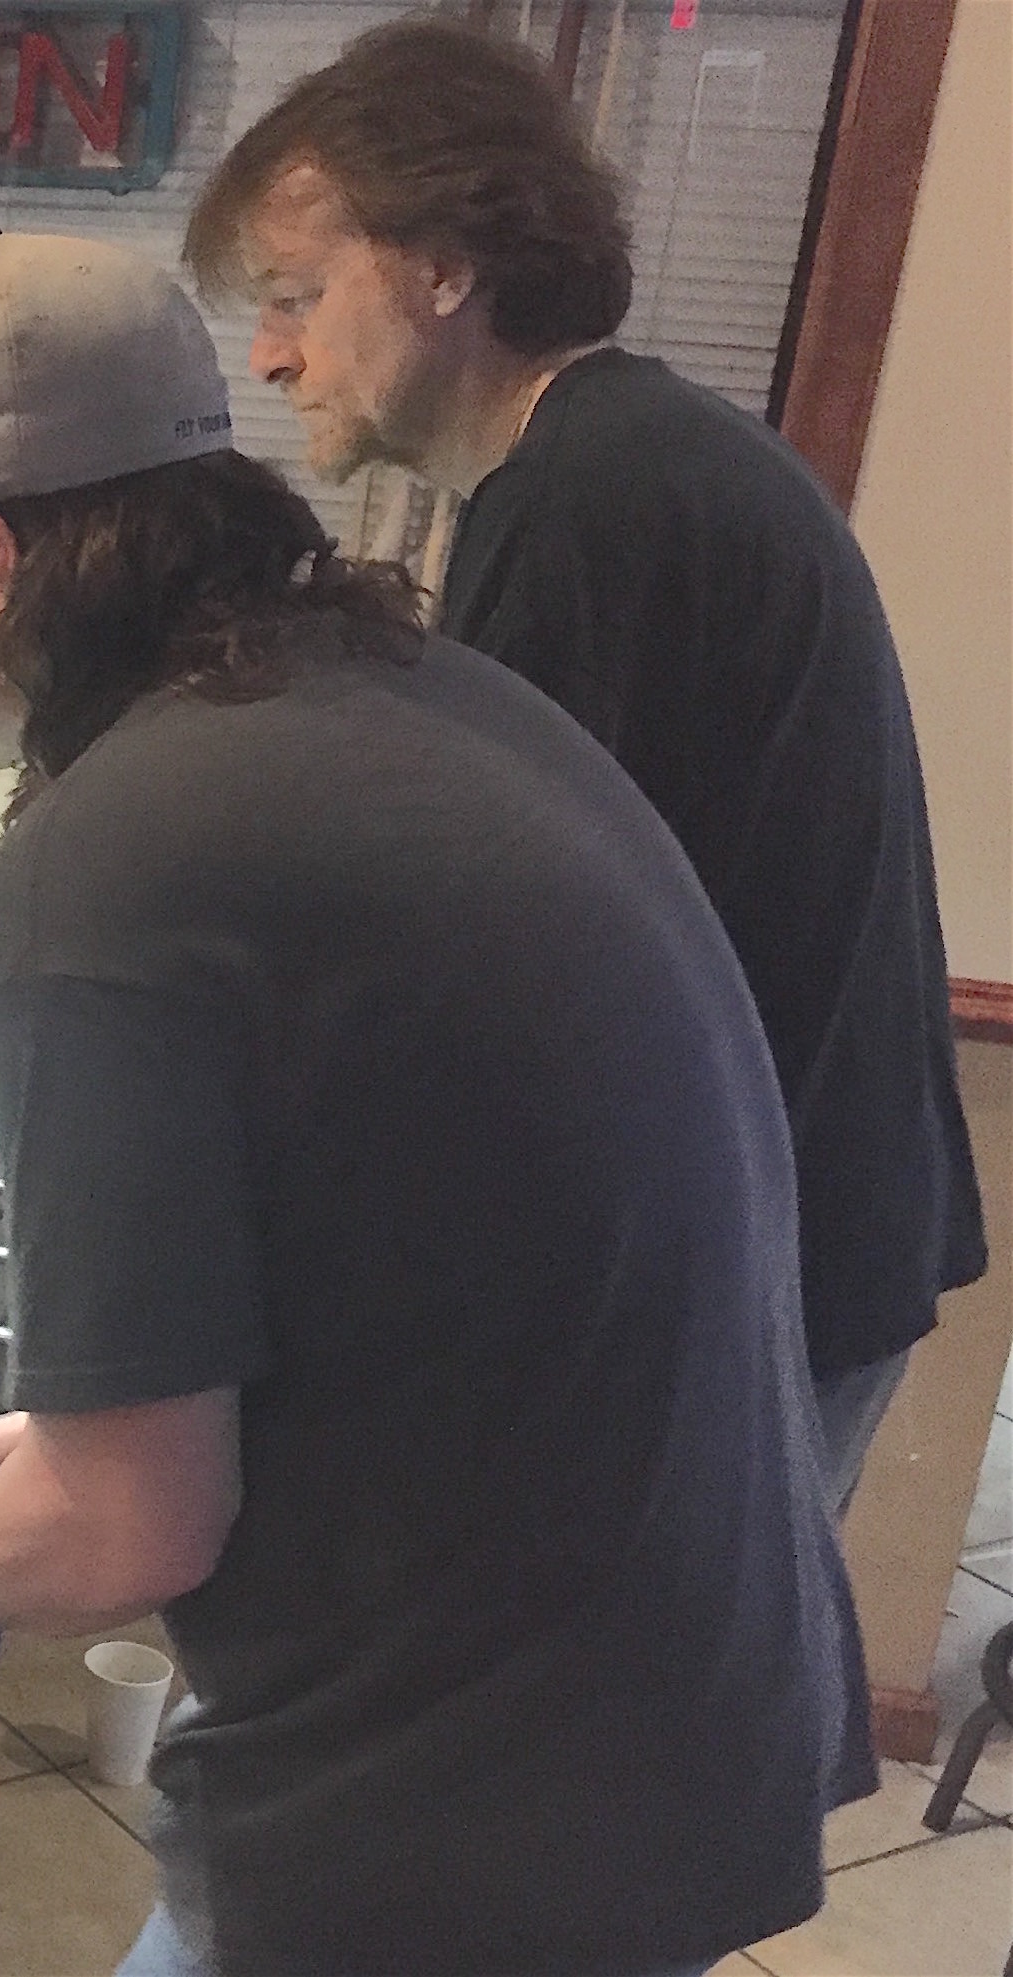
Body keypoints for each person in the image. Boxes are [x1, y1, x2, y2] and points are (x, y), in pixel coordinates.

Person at [0, 236, 870, 1973]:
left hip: (476, 1790)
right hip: (669, 1684)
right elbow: (374, 1253)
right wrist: (47, 1441)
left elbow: (132, 1523)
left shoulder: (105, 861)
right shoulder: (383, 683)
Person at [184, 16, 983, 1514]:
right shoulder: (622, 457)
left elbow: (504, 970)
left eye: (294, 295)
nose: (270, 352)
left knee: (650, 1734)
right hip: (808, 1227)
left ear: (439, 266)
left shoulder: (584, 505)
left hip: (765, 1264)